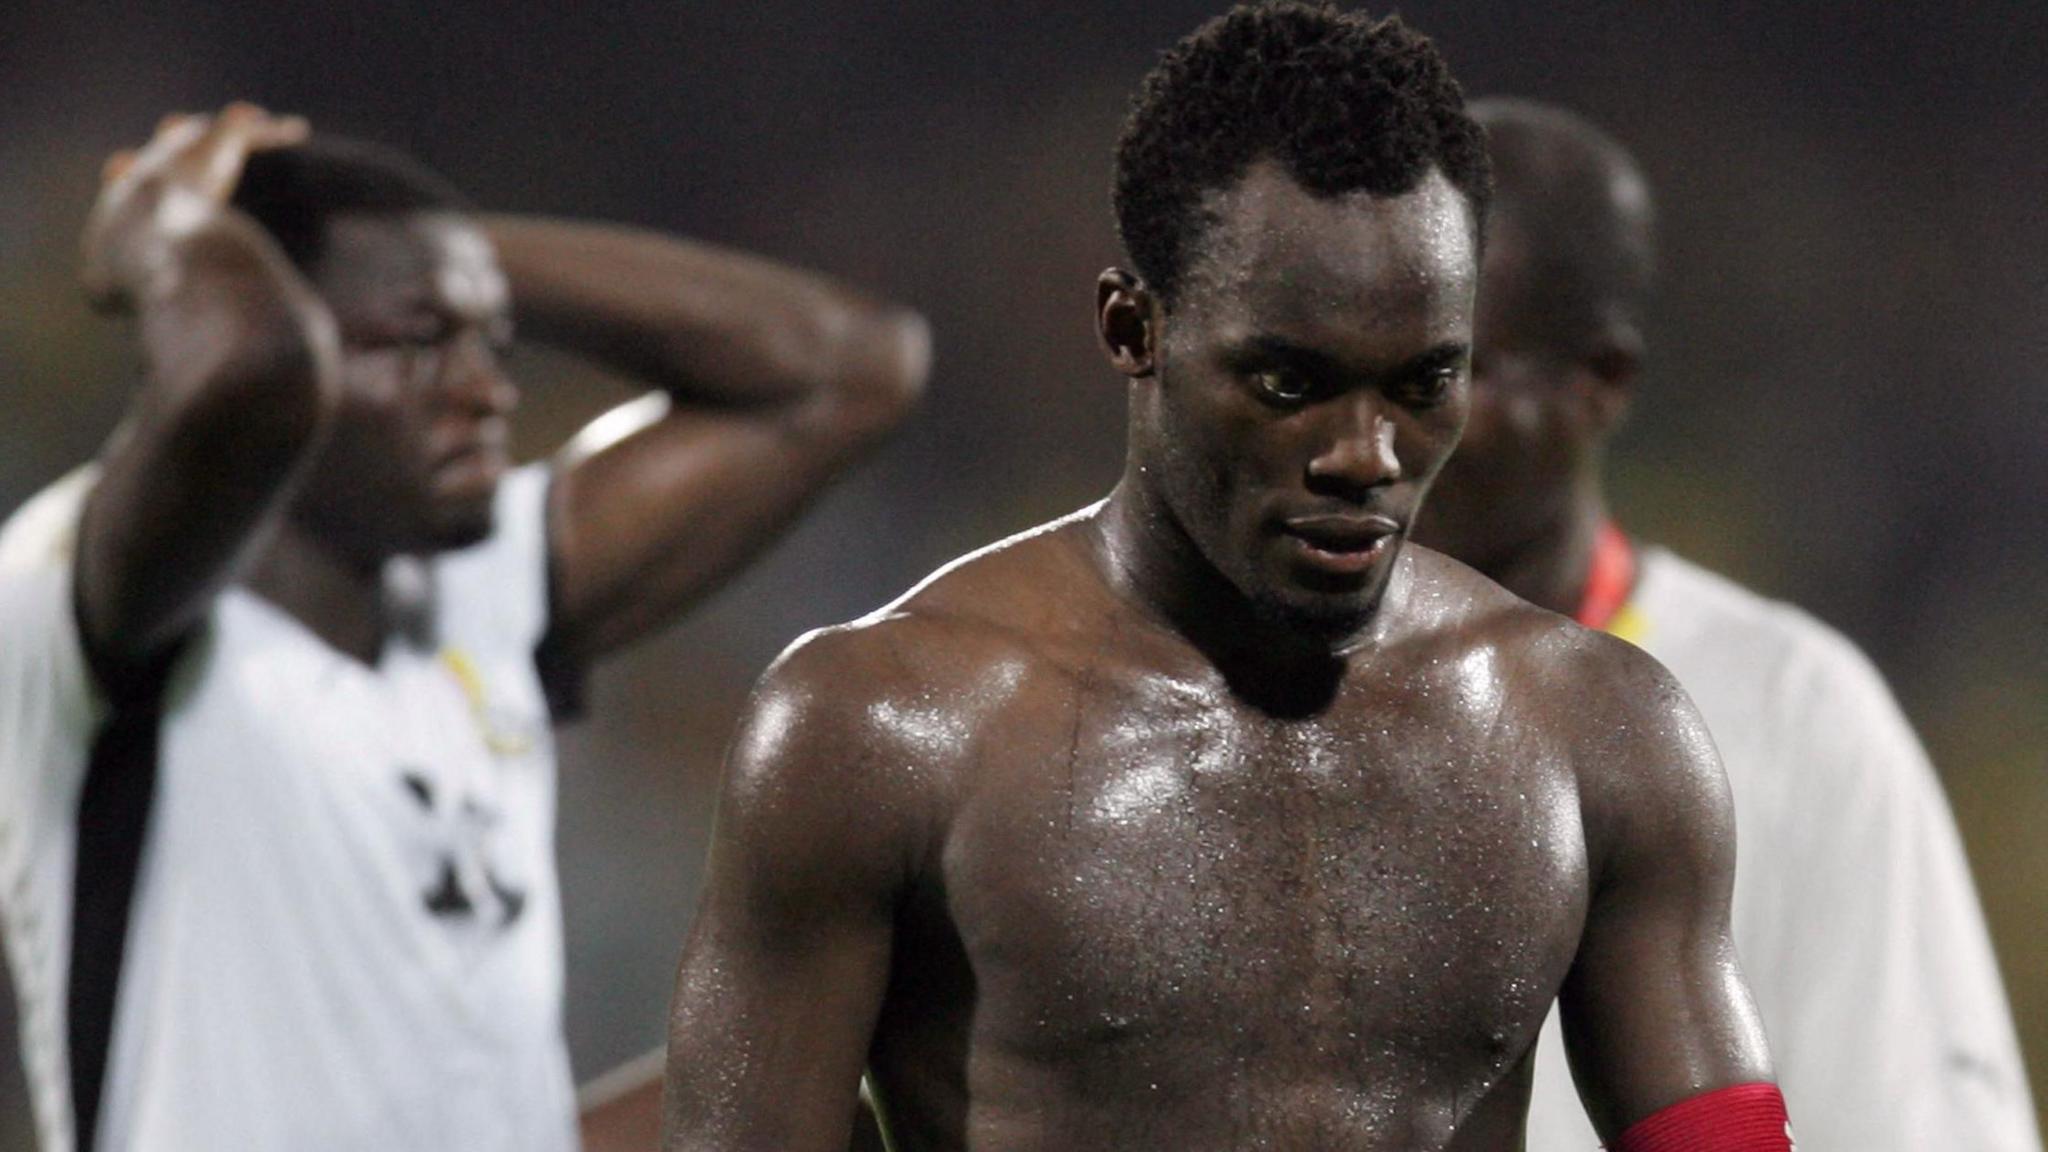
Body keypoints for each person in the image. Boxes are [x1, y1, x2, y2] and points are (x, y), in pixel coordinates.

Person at [662, 6, 1796, 1150]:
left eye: (1422, 381)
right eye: (1288, 381)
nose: (1366, 454)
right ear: (1131, 326)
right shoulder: (878, 728)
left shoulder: (1598, 732)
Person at [0, 104, 929, 1152]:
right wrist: (160, 218)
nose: (487, 390)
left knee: (854, 1090)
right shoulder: (88, 594)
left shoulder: (476, 594)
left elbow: (847, 367)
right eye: (419, 340)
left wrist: (433, 253)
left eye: (491, 340)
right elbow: (250, 370)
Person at [1411, 96, 2042, 1152]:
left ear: (1599, 382)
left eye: (1450, 367)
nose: (1387, 423)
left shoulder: (1789, 713)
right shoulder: (1244, 700)